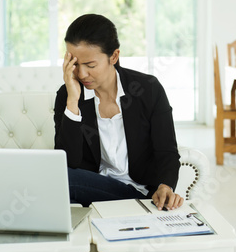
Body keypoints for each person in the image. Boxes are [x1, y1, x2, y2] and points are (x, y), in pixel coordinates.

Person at [54, 13, 184, 211]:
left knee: (61, 181)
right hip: (92, 190)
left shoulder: (148, 89)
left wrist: (165, 186)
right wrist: (73, 100)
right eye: (75, 64)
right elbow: (68, 161)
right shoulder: (69, 94)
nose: (81, 74)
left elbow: (167, 151)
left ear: (114, 56)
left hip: (139, 193)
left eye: (90, 65)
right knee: (59, 179)